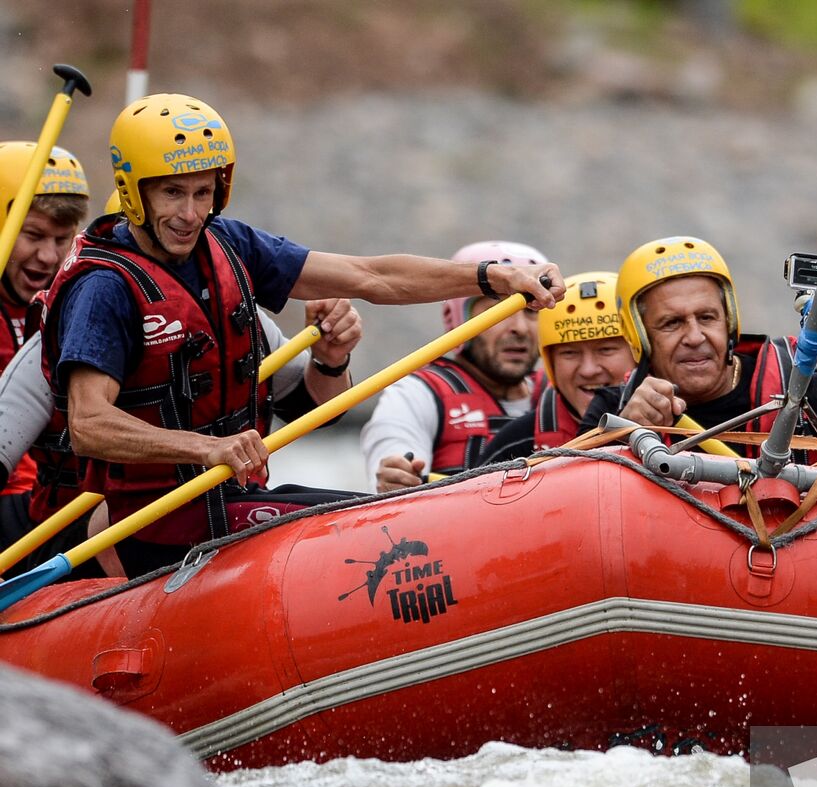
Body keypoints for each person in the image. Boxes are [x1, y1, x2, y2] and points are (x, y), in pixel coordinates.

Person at [42, 93, 562, 578]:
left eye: (203, 192)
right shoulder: (104, 287)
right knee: (382, 527)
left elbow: (371, 277)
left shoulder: (228, 242)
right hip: (158, 524)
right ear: (134, 192)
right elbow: (89, 424)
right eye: (173, 193)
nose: (190, 214)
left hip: (232, 500)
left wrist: (494, 277)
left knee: (383, 514)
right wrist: (206, 448)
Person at [580, 236, 817, 456]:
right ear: (638, 336)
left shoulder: (806, 393)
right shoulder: (612, 411)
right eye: (672, 323)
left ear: (729, 322)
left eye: (707, 318)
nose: (695, 337)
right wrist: (622, 436)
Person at [360, 241, 551, 491]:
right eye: (500, 310)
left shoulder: (562, 391)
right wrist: (395, 476)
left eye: (532, 312)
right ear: (457, 318)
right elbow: (393, 458)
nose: (520, 328)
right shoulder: (417, 395)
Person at [0, 141, 88, 552]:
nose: (48, 256)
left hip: (54, 499)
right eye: (33, 236)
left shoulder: (76, 303)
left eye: (62, 238)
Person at [481, 271, 639, 463]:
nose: (588, 370)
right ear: (550, 363)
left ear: (638, 353)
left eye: (606, 350)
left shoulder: (671, 424)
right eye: (569, 353)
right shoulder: (513, 447)